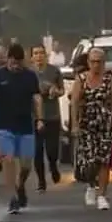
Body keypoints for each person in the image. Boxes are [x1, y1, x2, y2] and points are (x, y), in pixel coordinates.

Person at [0, 43, 43, 216]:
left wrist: (40, 119)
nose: (15, 66)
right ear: (8, 60)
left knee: (25, 165)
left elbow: (37, 98)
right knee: (8, 160)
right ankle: (13, 198)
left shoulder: (30, 76)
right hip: (4, 126)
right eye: (12, 62)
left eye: (18, 63)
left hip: (25, 125)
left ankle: (20, 184)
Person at [71, 46, 112, 210]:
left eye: (99, 62)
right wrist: (75, 124)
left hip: (105, 123)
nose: (96, 65)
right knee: (91, 160)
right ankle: (91, 185)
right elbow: (75, 102)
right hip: (87, 124)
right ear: (88, 62)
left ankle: (102, 195)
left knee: (104, 160)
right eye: (93, 62)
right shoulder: (81, 79)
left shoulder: (109, 79)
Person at [31, 44, 64, 190]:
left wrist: (55, 91)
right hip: (34, 116)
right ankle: (41, 181)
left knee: (52, 149)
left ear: (46, 55)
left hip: (52, 115)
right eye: (36, 53)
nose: (39, 56)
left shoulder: (54, 71)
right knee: (37, 150)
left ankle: (53, 165)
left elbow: (62, 90)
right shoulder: (28, 73)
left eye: (41, 53)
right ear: (31, 57)